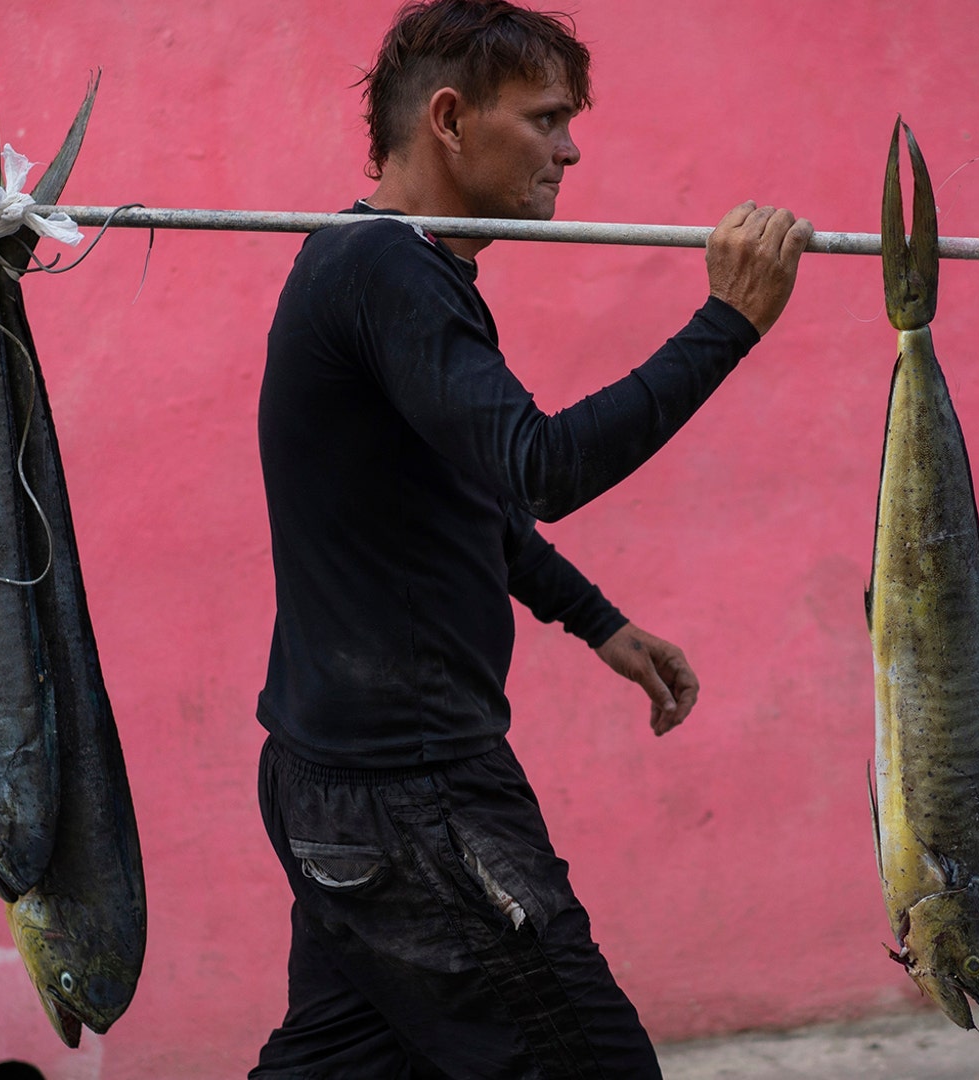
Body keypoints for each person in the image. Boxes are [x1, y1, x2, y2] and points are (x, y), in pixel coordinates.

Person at [250, 1, 810, 1075]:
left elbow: (460, 504)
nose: (571, 146)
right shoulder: (385, 271)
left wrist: (596, 620)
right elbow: (540, 468)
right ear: (451, 120)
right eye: (547, 118)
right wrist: (728, 321)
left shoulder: (390, 270)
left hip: (342, 782)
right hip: (411, 798)